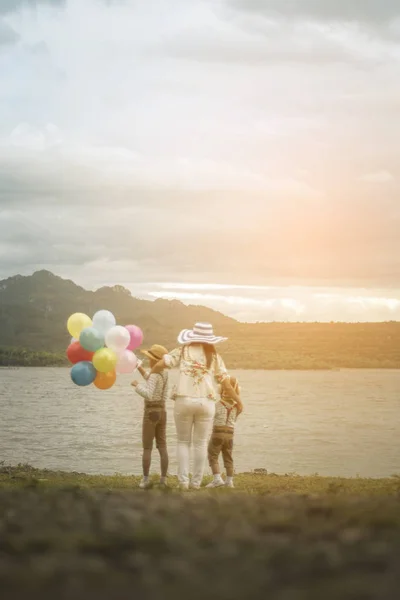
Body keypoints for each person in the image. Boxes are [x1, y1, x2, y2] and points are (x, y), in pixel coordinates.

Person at [151, 322, 242, 490]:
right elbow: (226, 383)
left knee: (183, 442)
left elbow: (162, 364)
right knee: (200, 443)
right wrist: (239, 401)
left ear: (192, 336)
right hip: (206, 402)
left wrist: (151, 374)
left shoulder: (183, 351)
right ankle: (196, 483)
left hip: (183, 400)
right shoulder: (213, 355)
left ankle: (183, 482)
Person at [131, 344, 169, 489]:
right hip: (162, 411)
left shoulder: (154, 374)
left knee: (147, 448)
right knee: (162, 446)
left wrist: (136, 386)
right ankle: (163, 479)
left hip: (151, 412)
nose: (148, 360)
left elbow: (149, 393)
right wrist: (140, 368)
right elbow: (152, 382)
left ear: (154, 360)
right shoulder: (164, 373)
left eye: (150, 358)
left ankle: (145, 480)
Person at [206, 375, 241, 489]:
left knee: (213, 455)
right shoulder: (237, 407)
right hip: (230, 435)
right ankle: (229, 482)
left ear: (220, 390)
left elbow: (209, 416)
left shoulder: (216, 405)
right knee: (228, 457)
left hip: (218, 433)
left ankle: (217, 479)